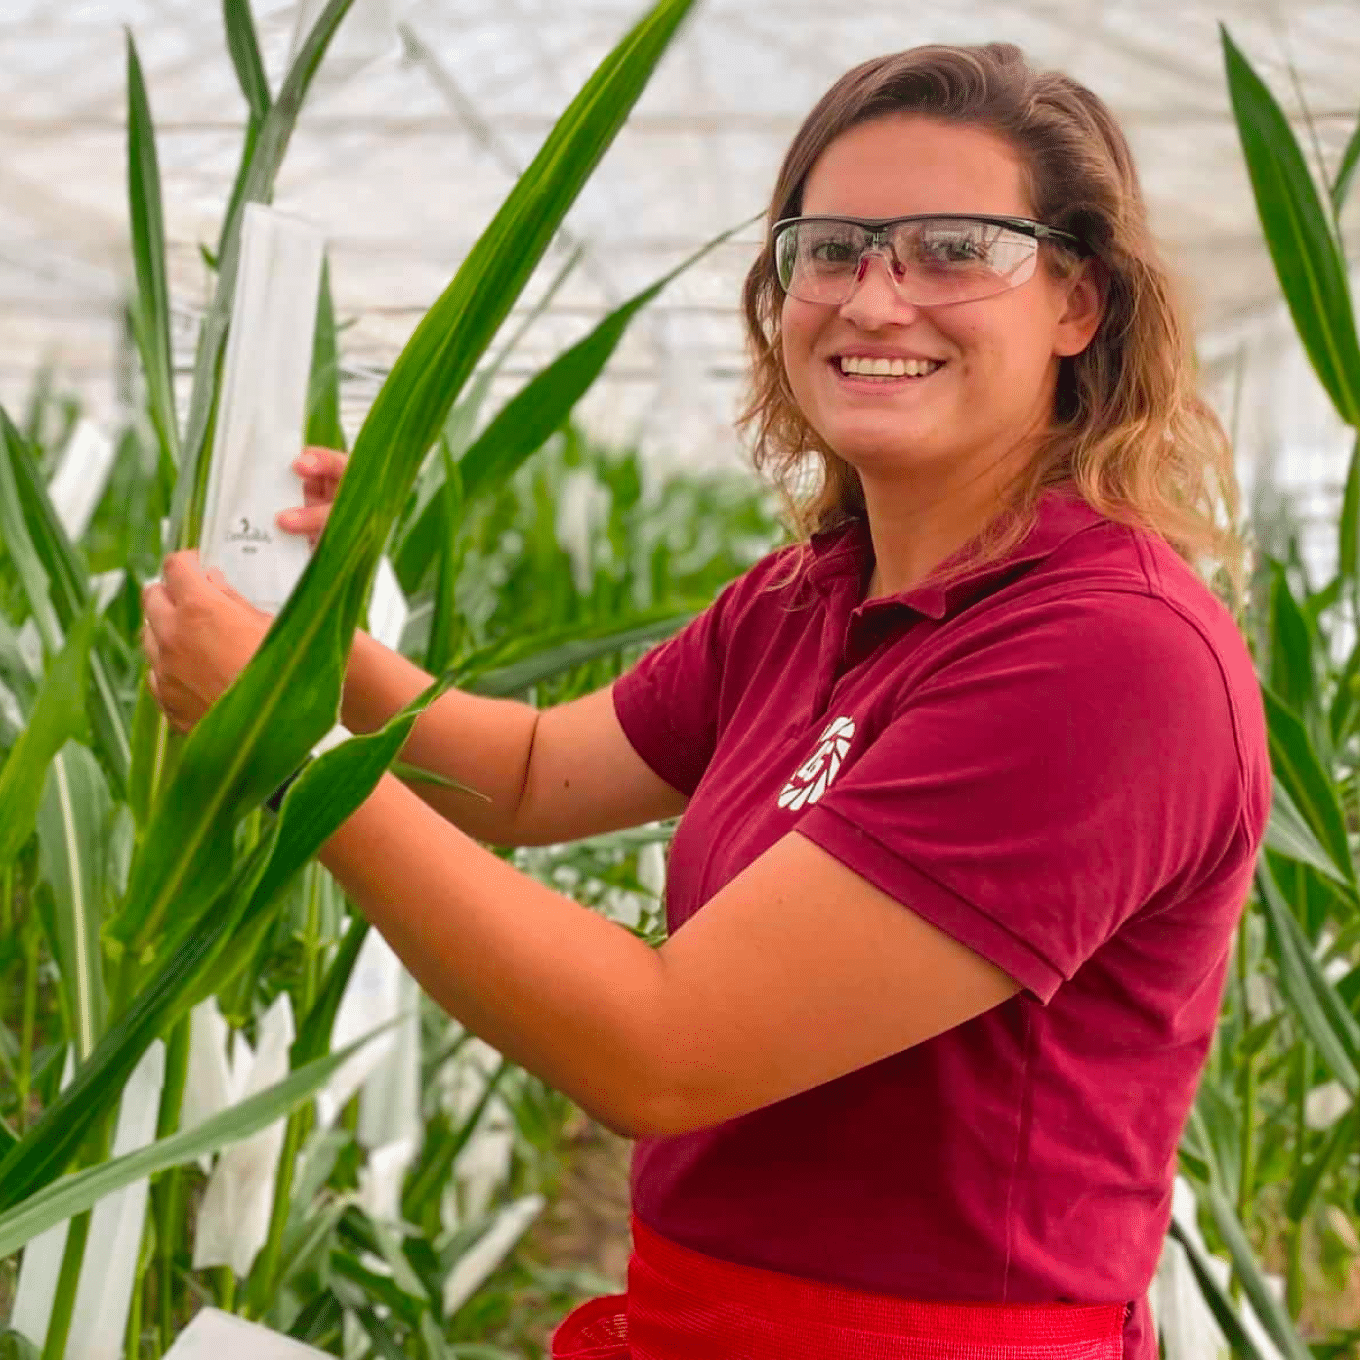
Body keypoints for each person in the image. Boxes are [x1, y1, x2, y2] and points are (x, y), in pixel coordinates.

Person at [141, 41, 1271, 1360]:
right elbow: (515, 778)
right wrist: (317, 634)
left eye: (954, 250)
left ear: (1076, 300)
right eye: (831, 248)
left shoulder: (1107, 658)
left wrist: (281, 755)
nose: (876, 297)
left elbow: (661, 1052)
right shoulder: (806, 601)